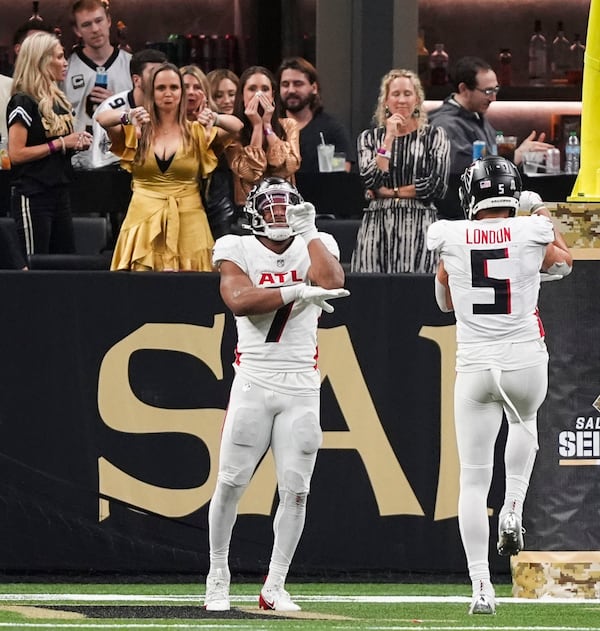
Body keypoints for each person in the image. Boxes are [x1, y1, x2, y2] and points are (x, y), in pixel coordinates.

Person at [426, 155, 573, 615]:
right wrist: (541, 211)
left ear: (471, 196)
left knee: (471, 479)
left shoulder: (449, 233)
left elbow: (444, 301)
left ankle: (480, 587)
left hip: (474, 363)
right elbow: (565, 263)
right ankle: (514, 504)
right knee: (524, 420)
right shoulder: (532, 229)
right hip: (524, 356)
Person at [204, 177, 349, 612]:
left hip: (302, 382)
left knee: (297, 491)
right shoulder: (236, 247)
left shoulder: (315, 241)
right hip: (255, 379)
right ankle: (217, 574)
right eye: (273, 208)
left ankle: (275, 585)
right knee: (230, 483)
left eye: (288, 207)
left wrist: (309, 234)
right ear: (255, 213)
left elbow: (333, 279)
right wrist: (296, 290)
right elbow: (239, 300)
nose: (281, 215)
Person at [96, 62, 217, 271]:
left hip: (189, 218)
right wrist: (128, 116)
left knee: (193, 287)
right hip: (143, 218)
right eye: (161, 88)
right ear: (150, 92)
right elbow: (102, 119)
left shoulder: (196, 130)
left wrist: (215, 117)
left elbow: (237, 126)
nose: (168, 94)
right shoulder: (137, 127)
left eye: (174, 87)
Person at [350, 68, 450, 274]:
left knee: (416, 292)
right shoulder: (369, 138)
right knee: (374, 291)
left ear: (417, 100)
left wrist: (390, 192)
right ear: (385, 101)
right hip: (377, 225)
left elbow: (436, 186)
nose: (402, 100)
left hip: (420, 224)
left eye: (407, 93)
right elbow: (370, 179)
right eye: (395, 94)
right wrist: (388, 139)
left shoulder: (434, 136)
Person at [428, 56, 554, 219]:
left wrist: (521, 156)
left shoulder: (477, 118)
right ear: (464, 89)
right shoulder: (445, 125)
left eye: (495, 90)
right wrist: (514, 156)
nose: (493, 98)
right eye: (487, 91)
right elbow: (464, 170)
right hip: (457, 222)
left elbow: (492, 157)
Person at [7, 32, 93, 258]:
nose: (65, 63)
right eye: (59, 57)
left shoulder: (58, 99)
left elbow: (59, 144)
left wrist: (76, 143)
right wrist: (61, 143)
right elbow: (16, 154)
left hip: (60, 191)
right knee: (36, 263)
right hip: (33, 193)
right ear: (42, 61)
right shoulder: (23, 101)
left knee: (65, 262)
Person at [64, 0, 132, 169]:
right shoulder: (66, 68)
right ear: (77, 30)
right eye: (86, 24)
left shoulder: (131, 65)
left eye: (99, 21)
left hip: (121, 158)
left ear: (108, 20)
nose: (95, 29)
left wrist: (115, 105)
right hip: (78, 162)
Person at [224, 66, 300, 207]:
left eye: (265, 89)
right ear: (242, 95)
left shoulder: (288, 126)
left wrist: (267, 126)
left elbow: (288, 167)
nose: (259, 95)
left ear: (273, 95)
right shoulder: (232, 131)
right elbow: (250, 174)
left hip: (284, 208)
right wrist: (257, 127)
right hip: (247, 209)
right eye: (252, 89)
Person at [180, 64, 242, 239]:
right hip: (175, 201)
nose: (191, 92)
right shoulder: (163, 126)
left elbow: (236, 127)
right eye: (185, 88)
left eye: (197, 87)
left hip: (213, 201)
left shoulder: (215, 122)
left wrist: (212, 119)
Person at [91, 48, 167, 169]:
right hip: (114, 175)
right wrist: (129, 116)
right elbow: (101, 159)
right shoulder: (111, 106)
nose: (160, 78)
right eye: (153, 73)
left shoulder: (168, 105)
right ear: (137, 80)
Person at [277, 56, 355, 173]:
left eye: (298, 84)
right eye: (285, 84)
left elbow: (340, 176)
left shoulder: (332, 130)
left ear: (314, 88)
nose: (291, 90)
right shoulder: (272, 128)